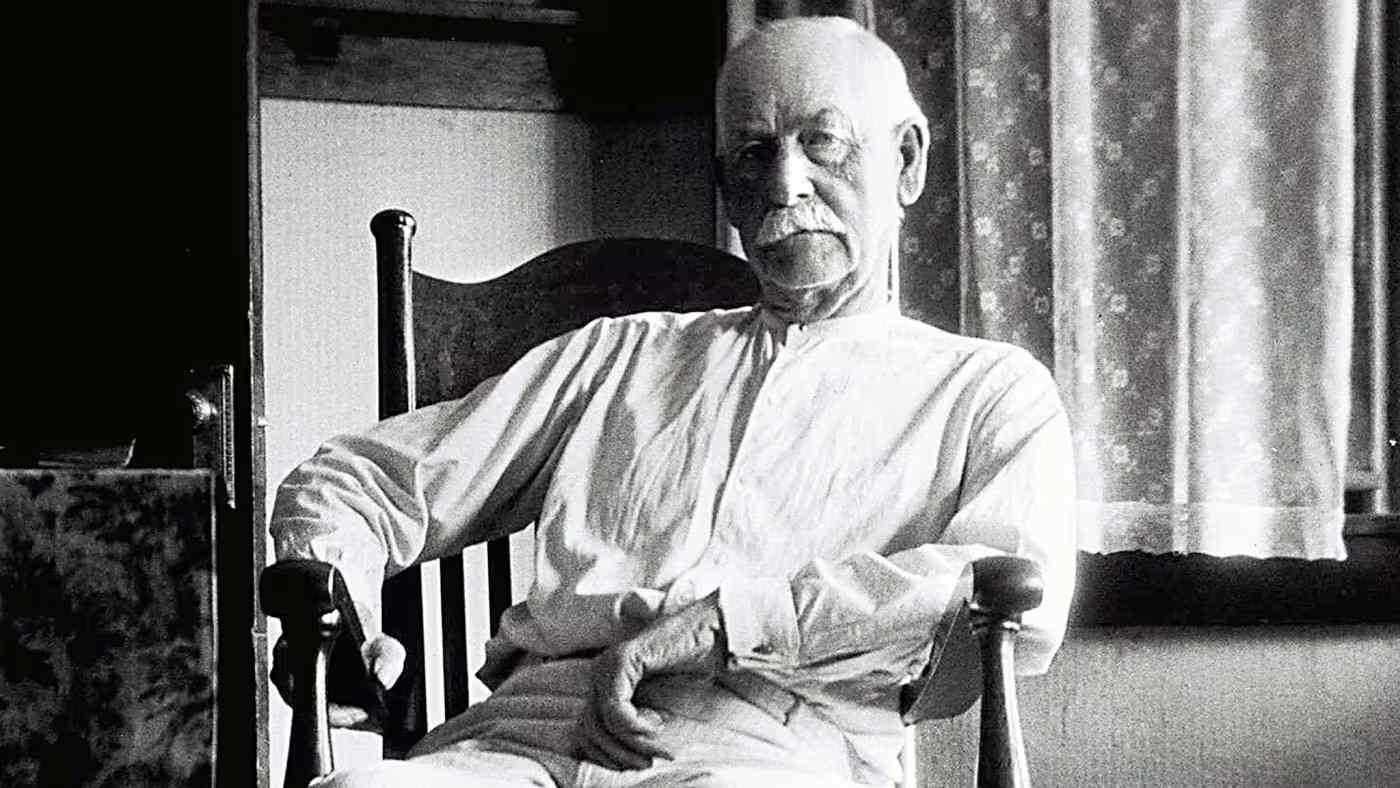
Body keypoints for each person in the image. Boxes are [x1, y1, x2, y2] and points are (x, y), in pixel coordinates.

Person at [270, 16, 1076, 788]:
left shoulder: (987, 392)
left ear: (906, 161)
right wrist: (345, 606)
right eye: (753, 154)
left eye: (823, 142)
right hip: (520, 740)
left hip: (766, 753)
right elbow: (357, 479)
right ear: (725, 186)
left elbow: (1009, 592)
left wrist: (730, 622)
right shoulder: (620, 356)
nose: (784, 184)